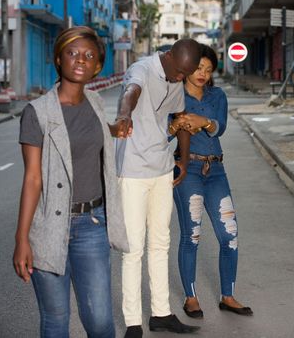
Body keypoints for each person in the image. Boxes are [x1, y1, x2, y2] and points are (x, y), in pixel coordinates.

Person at [13, 26, 129, 338]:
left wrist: (115, 130)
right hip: (49, 227)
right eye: (73, 53)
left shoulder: (94, 102)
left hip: (92, 223)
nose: (81, 60)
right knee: (55, 321)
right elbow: (33, 178)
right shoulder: (36, 113)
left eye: (89, 55)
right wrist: (21, 239)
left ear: (98, 67)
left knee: (101, 322)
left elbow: (87, 134)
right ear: (59, 59)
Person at [110, 39, 202, 338]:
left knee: (160, 243)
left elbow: (179, 118)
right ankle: (133, 322)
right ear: (169, 56)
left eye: (185, 75)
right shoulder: (142, 69)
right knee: (133, 248)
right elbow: (131, 92)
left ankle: (161, 314)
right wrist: (124, 114)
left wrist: (183, 159)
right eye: (179, 72)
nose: (181, 78)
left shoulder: (176, 76)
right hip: (134, 171)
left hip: (162, 168)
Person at [169, 44, 253, 319]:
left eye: (208, 69)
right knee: (191, 236)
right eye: (198, 68)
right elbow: (166, 134)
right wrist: (178, 124)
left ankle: (227, 296)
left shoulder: (217, 96)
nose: (203, 73)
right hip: (188, 169)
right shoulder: (174, 95)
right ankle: (190, 297)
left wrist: (202, 120)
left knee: (229, 235)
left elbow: (221, 126)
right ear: (187, 67)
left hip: (216, 170)